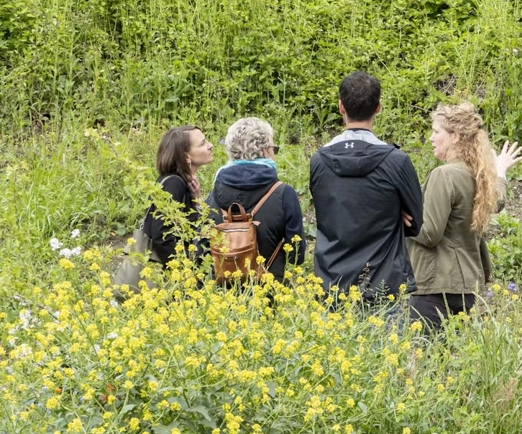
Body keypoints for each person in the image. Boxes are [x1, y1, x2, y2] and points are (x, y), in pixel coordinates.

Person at [406, 102, 522, 330]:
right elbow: (497, 202)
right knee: (455, 361)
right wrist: (500, 171)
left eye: (436, 132)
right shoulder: (479, 176)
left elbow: (430, 233)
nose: (431, 138)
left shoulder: (444, 174)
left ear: (456, 137)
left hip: (434, 287)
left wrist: (402, 219)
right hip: (467, 287)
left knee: (428, 361)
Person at [310, 71, 424, 303]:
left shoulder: (319, 161)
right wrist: (393, 212)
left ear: (341, 107)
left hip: (331, 282)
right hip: (383, 283)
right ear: (378, 107)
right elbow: (415, 224)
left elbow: (327, 209)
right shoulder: (397, 161)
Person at [205, 117, 306, 282]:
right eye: (274, 149)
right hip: (269, 294)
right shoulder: (283, 193)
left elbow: (200, 251)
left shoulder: (213, 194)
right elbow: (297, 255)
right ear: (265, 151)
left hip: (219, 295)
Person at [144, 125, 214, 268]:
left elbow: (198, 227)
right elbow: (161, 234)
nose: (210, 145)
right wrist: (183, 271)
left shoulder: (183, 183)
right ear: (186, 156)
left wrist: (197, 198)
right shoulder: (173, 183)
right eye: (202, 143)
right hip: (171, 275)